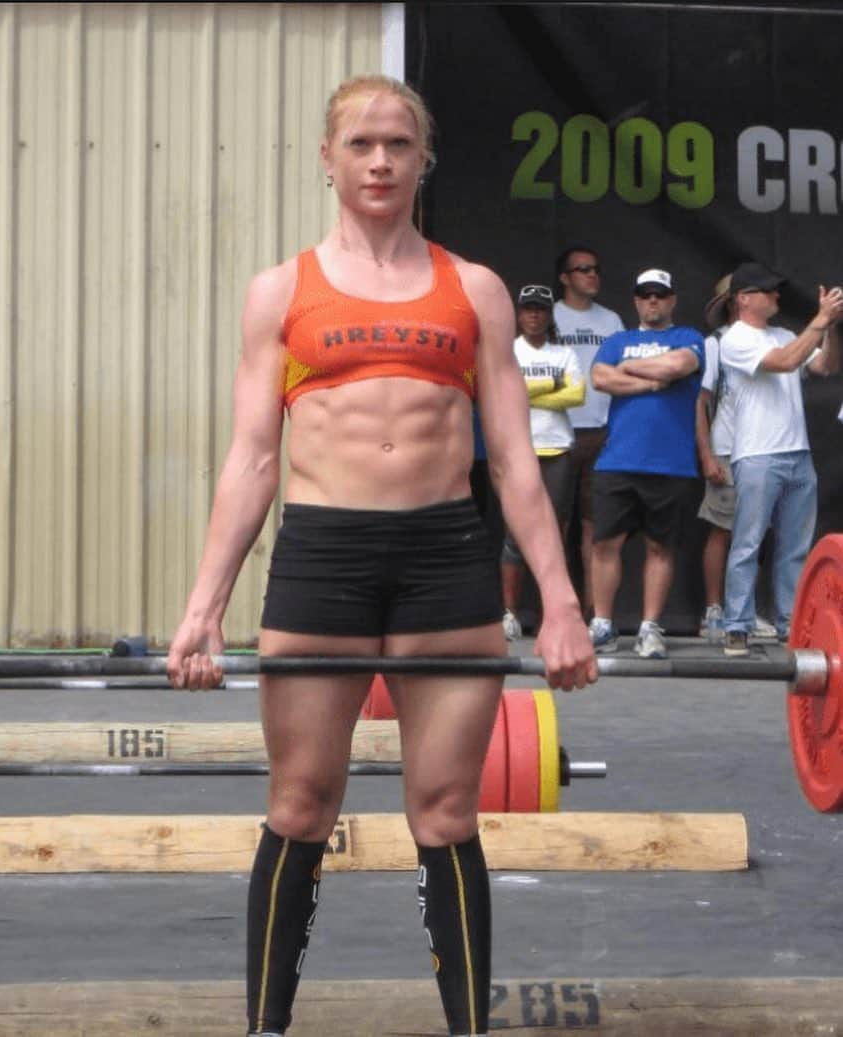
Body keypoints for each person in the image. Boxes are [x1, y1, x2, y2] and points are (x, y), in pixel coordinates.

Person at [165, 75, 597, 1037]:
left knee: (445, 812)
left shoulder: (473, 289)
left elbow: (517, 462)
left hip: (445, 554)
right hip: (323, 554)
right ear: (327, 159)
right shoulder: (280, 291)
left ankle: (467, 1030)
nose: (378, 161)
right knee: (299, 803)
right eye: (359, 143)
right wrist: (203, 607)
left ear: (421, 160)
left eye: (398, 144)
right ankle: (266, 1028)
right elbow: (251, 457)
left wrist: (559, 603)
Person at [718, 263, 843, 656]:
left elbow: (824, 366)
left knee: (795, 548)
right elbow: (785, 362)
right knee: (748, 543)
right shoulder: (734, 339)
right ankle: (737, 626)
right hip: (757, 454)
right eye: (767, 291)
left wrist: (832, 327)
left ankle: (793, 626)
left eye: (775, 290)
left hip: (798, 453)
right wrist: (820, 319)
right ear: (743, 299)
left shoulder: (785, 333)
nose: (776, 296)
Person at [587, 269, 704, 659]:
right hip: (618, 458)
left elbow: (678, 367)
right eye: (645, 295)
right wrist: (653, 381)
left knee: (660, 548)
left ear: (671, 300)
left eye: (660, 295)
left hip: (670, 463)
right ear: (636, 301)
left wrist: (632, 370)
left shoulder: (689, 338)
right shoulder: (618, 340)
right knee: (604, 543)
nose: (653, 301)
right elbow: (601, 378)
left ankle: (649, 627)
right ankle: (602, 623)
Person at [694, 276, 778, 643]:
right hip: (728, 448)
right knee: (722, 530)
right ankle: (714, 610)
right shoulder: (716, 344)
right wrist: (707, 453)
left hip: (764, 447)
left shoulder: (772, 339)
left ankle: (741, 611)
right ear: (734, 302)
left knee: (755, 532)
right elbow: (701, 402)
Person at [501, 284, 585, 641]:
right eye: (528, 309)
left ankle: (553, 612)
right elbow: (503, 393)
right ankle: (510, 613)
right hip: (519, 450)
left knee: (557, 533)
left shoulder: (565, 353)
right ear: (519, 314)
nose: (534, 315)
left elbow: (577, 395)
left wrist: (525, 392)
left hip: (558, 450)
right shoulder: (507, 352)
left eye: (540, 310)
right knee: (515, 536)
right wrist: (549, 387)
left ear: (550, 315)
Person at [553, 246, 625, 619]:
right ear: (565, 278)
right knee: (553, 526)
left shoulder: (611, 320)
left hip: (600, 433)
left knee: (594, 528)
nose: (592, 275)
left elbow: (626, 371)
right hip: (556, 434)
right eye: (582, 270)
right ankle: (556, 612)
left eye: (596, 269)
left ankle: (592, 614)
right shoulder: (549, 317)